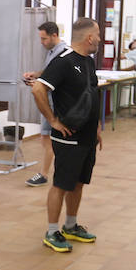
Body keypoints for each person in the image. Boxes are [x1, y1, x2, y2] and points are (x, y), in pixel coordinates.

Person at [34, 18, 102, 254]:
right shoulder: (63, 61)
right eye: (98, 35)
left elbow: (91, 95)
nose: (100, 39)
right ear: (89, 38)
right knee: (62, 184)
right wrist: (53, 120)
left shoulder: (88, 62)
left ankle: (71, 226)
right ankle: (52, 231)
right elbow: (38, 88)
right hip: (67, 137)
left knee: (78, 182)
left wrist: (97, 127)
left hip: (87, 136)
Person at [21, 21, 69, 187]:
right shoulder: (52, 52)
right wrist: (36, 75)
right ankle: (48, 173)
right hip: (48, 101)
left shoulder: (62, 53)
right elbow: (49, 73)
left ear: (54, 35)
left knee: (48, 139)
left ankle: (44, 174)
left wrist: (39, 85)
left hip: (54, 103)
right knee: (46, 138)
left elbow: (58, 80)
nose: (42, 42)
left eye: (44, 39)